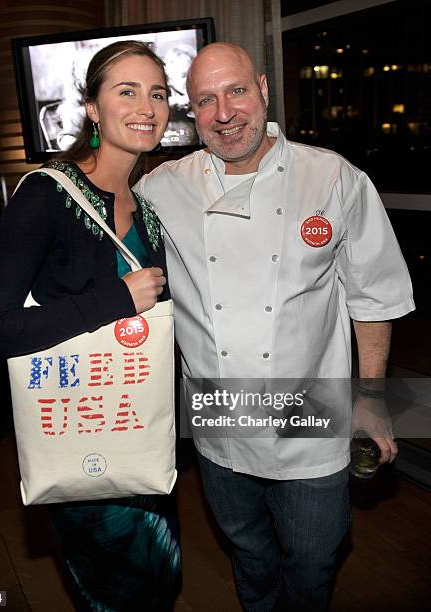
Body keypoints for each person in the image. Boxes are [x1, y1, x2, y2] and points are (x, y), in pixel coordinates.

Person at [134, 42, 414, 611]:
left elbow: (374, 295)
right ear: (192, 111)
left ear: (263, 88)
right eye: (205, 100)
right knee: (250, 554)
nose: (223, 113)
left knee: (313, 562)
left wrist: (372, 398)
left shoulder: (331, 177)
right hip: (217, 425)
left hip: (311, 421)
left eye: (236, 91)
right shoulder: (162, 188)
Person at [0, 41, 180, 611]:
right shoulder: (46, 193)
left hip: (140, 428)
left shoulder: (146, 206)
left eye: (157, 93)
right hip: (82, 435)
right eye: (126, 91)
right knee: (118, 592)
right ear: (91, 108)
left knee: (161, 582)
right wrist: (116, 297)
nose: (147, 106)